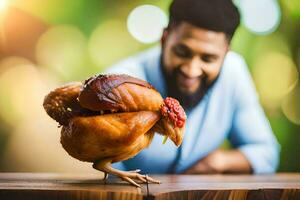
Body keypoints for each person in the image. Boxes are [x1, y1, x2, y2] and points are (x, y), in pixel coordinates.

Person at [105, 0, 280, 174]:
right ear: (164, 39)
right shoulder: (121, 85)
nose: (191, 70)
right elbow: (99, 166)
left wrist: (217, 162)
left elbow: (266, 153)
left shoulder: (234, 73)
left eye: (208, 58)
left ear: (226, 52)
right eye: (182, 52)